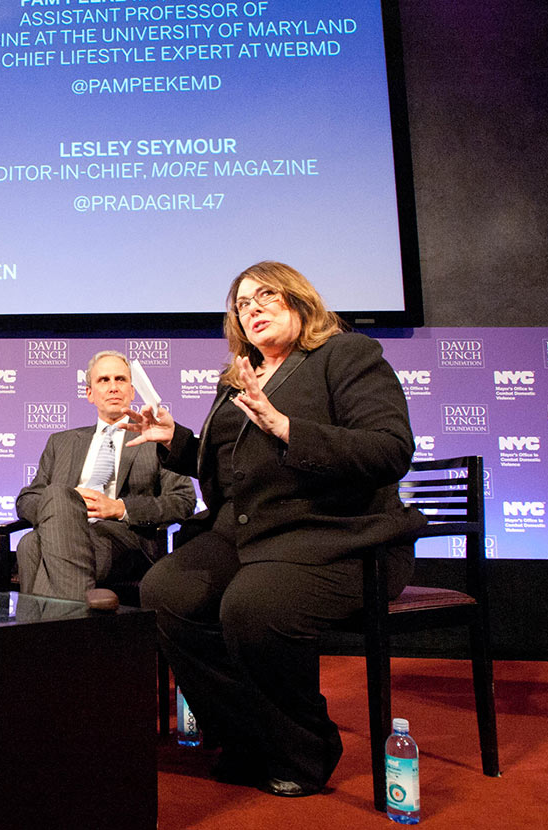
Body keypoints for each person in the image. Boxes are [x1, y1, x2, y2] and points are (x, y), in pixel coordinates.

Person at [125, 261, 425, 797]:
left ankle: (304, 748)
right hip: (245, 535)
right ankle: (246, 736)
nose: (253, 308)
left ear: (297, 300)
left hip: (337, 535)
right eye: (242, 304)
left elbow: (390, 449)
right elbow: (229, 467)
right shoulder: (237, 377)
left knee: (253, 606)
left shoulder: (345, 356)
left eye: (266, 296)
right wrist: (174, 440)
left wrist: (288, 428)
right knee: (164, 592)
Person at [14, 350, 195, 600]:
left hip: (126, 540)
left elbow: (183, 500)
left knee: (32, 545)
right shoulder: (61, 442)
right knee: (51, 506)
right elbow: (28, 498)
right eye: (103, 380)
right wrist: (62, 508)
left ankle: (41, 632)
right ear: (90, 394)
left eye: (120, 379)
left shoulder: (154, 437)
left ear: (132, 391)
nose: (113, 387)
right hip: (67, 531)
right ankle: (70, 627)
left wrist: (120, 507)